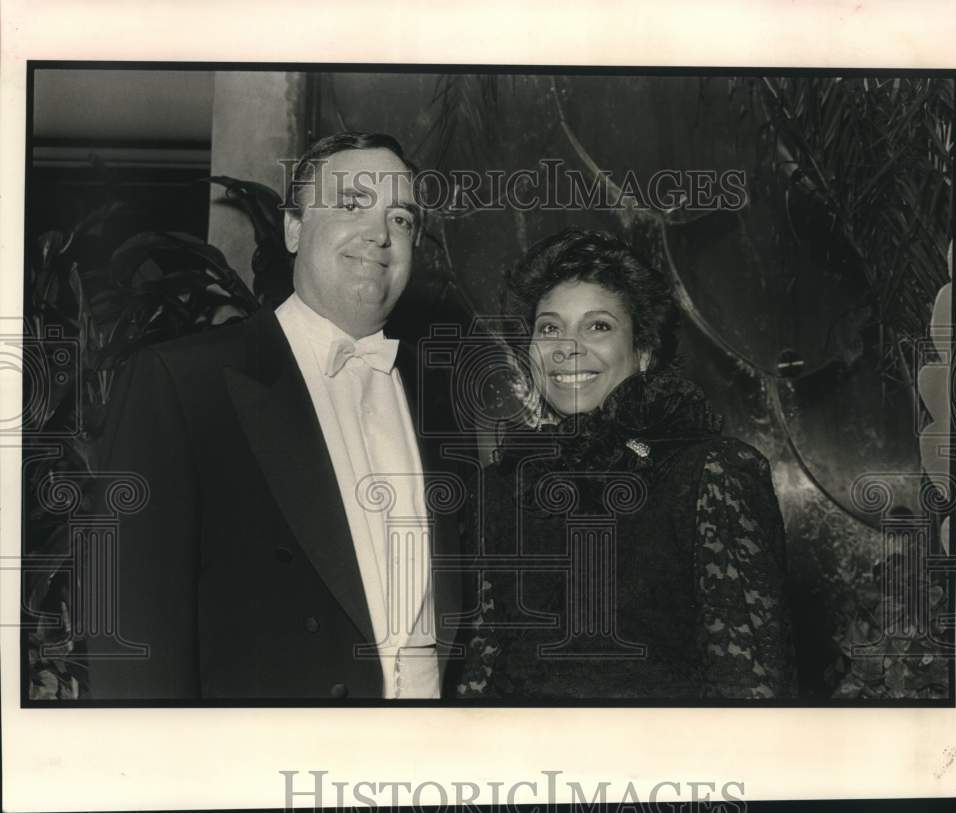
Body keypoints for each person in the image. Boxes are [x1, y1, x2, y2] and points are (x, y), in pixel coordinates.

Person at [86, 132, 463, 700]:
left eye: (402, 219)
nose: (379, 235)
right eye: (351, 204)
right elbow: (129, 631)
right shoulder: (182, 382)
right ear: (293, 228)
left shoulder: (438, 394)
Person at [456, 228, 797, 700]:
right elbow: (484, 658)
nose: (566, 346)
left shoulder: (711, 475)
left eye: (597, 326)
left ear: (643, 353)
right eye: (549, 327)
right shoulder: (503, 484)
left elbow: (752, 688)